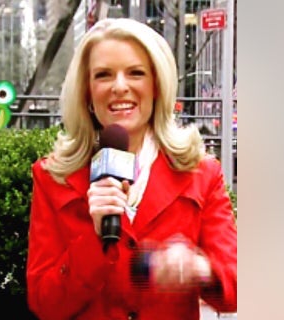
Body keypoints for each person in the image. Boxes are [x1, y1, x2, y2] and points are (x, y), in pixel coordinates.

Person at [26, 18, 236, 320]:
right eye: (103, 75)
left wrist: (200, 267)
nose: (119, 87)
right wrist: (93, 239)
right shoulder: (53, 176)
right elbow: (45, 304)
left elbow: (237, 287)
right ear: (86, 91)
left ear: (156, 86)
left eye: (136, 73)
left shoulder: (201, 173)